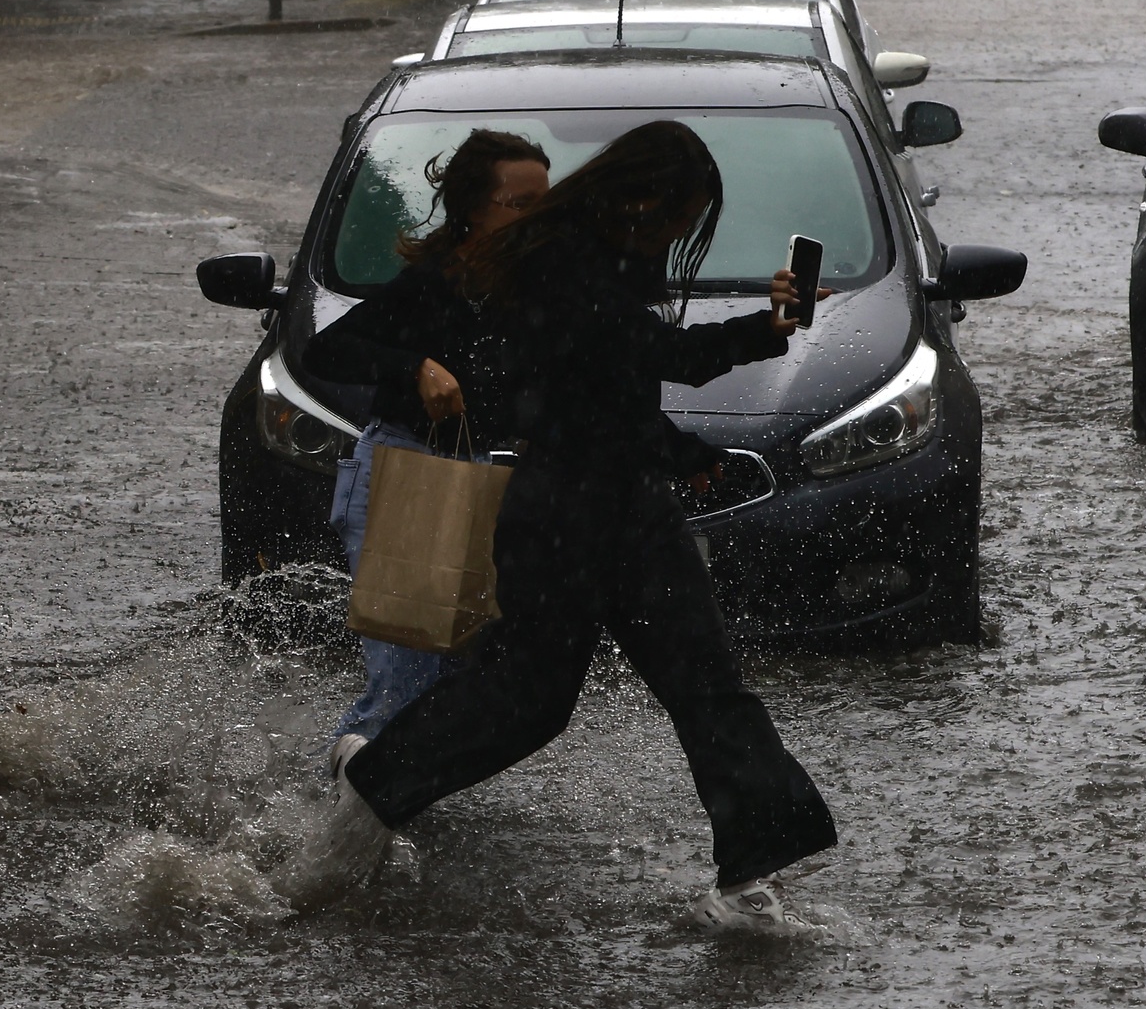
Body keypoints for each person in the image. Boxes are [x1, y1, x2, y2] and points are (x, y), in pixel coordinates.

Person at [284, 120, 837, 932]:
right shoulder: (564, 260)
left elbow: (608, 390)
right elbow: (655, 358)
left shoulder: (594, 258)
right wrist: (761, 333)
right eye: (684, 215)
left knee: (699, 684)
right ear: (646, 198)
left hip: (620, 504)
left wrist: (684, 444)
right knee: (532, 698)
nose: (684, 233)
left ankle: (755, 864)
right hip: (566, 514)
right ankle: (377, 783)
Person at [303, 129, 552, 745]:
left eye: (546, 204)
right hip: (407, 479)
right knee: (404, 681)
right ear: (474, 206)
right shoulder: (435, 282)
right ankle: (347, 815)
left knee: (457, 681)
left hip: (485, 485)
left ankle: (402, 811)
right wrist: (417, 366)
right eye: (520, 205)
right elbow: (327, 350)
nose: (537, 220)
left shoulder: (534, 289)